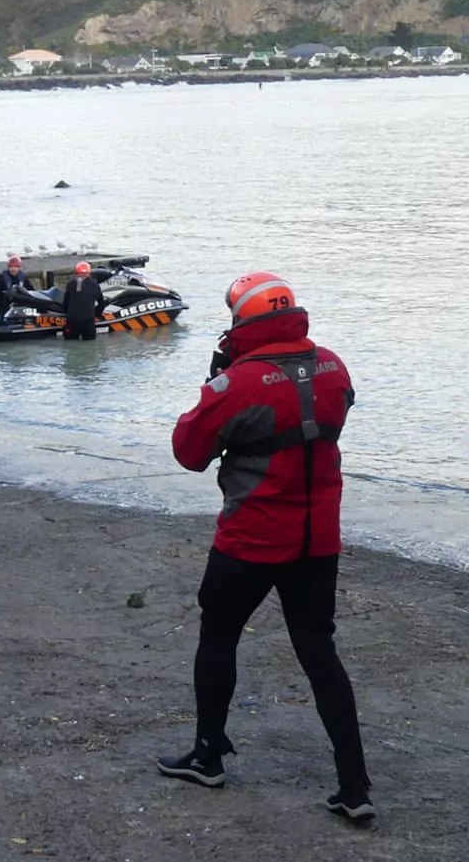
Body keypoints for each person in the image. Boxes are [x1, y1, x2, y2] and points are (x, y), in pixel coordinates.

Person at [157, 271, 374, 823]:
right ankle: (355, 787)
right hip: (318, 536)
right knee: (318, 649)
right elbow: (332, 416)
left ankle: (208, 755)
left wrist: (217, 386)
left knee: (219, 633)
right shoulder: (334, 366)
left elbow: (189, 451)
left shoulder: (241, 382)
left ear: (241, 320)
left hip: (252, 536)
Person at [61, 261, 104, 340]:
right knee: (89, 346)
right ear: (89, 272)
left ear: (76, 272)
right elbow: (101, 303)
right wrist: (97, 314)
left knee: (71, 344)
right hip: (88, 320)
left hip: (72, 320)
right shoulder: (94, 285)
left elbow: (65, 304)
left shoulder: (70, 284)